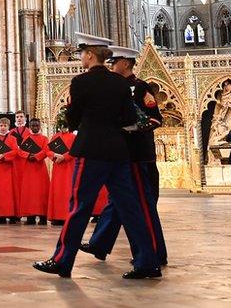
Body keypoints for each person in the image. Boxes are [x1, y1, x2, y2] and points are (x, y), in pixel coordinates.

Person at [33, 33, 160, 280]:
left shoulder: (80, 82)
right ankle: (148, 262)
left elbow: (72, 120)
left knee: (79, 207)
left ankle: (62, 260)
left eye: (82, 53)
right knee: (130, 208)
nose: (81, 57)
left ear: (90, 54)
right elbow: (131, 119)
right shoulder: (121, 84)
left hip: (91, 151)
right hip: (118, 152)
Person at [82, 46, 167, 265]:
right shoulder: (116, 86)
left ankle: (155, 253)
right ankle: (100, 243)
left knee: (143, 205)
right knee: (118, 200)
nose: (111, 65)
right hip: (121, 155)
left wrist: (131, 129)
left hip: (139, 155)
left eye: (115, 61)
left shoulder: (140, 87)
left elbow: (155, 118)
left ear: (126, 63)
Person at [17, 118, 50, 225]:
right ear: (30, 126)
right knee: (29, 192)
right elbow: (20, 150)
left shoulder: (44, 138)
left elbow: (46, 150)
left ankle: (43, 217)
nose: (35, 127)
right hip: (29, 168)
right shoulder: (26, 138)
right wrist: (27, 155)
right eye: (33, 126)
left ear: (40, 126)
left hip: (40, 167)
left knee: (42, 192)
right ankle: (30, 217)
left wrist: (36, 156)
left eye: (37, 125)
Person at [46, 121, 77, 226]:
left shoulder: (73, 137)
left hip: (68, 167)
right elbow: (48, 150)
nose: (63, 128)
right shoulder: (55, 136)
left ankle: (66, 216)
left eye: (65, 126)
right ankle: (56, 217)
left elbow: (75, 151)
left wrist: (64, 157)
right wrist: (54, 155)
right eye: (62, 126)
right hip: (58, 168)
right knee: (57, 191)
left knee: (67, 191)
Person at [0, 117, 19, 224]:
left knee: (10, 192)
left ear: (8, 127)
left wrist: (4, 156)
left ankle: (12, 215)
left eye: (5, 126)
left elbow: (15, 151)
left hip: (9, 168)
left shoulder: (13, 139)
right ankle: (0, 216)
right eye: (1, 125)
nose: (3, 127)